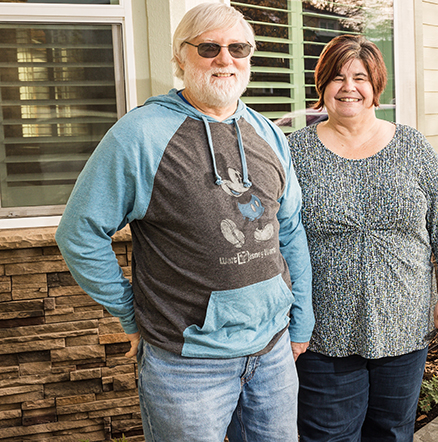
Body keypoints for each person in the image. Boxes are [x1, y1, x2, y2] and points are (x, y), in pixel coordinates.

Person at [55, 3, 313, 441]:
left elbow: (289, 229)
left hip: (271, 354)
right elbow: (80, 234)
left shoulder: (268, 133)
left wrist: (300, 318)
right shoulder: (140, 135)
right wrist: (129, 313)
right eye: (209, 47)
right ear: (180, 57)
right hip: (186, 365)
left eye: (238, 47)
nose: (225, 59)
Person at [287, 34, 438, 442]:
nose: (348, 87)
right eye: (337, 77)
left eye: (359, 77)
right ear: (322, 86)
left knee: (392, 432)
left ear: (376, 86)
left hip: (404, 323)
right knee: (327, 435)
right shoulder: (294, 151)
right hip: (323, 332)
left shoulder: (412, 145)